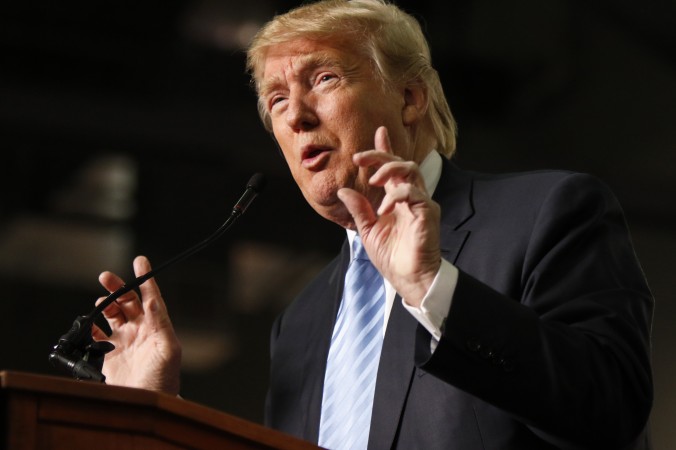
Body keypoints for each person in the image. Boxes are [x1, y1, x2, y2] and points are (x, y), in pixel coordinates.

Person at [92, 0, 654, 448]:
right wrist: (154, 416)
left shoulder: (545, 213)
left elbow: (612, 414)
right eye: (277, 98)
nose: (295, 114)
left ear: (410, 98)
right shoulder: (301, 322)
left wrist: (433, 288)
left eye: (325, 78)